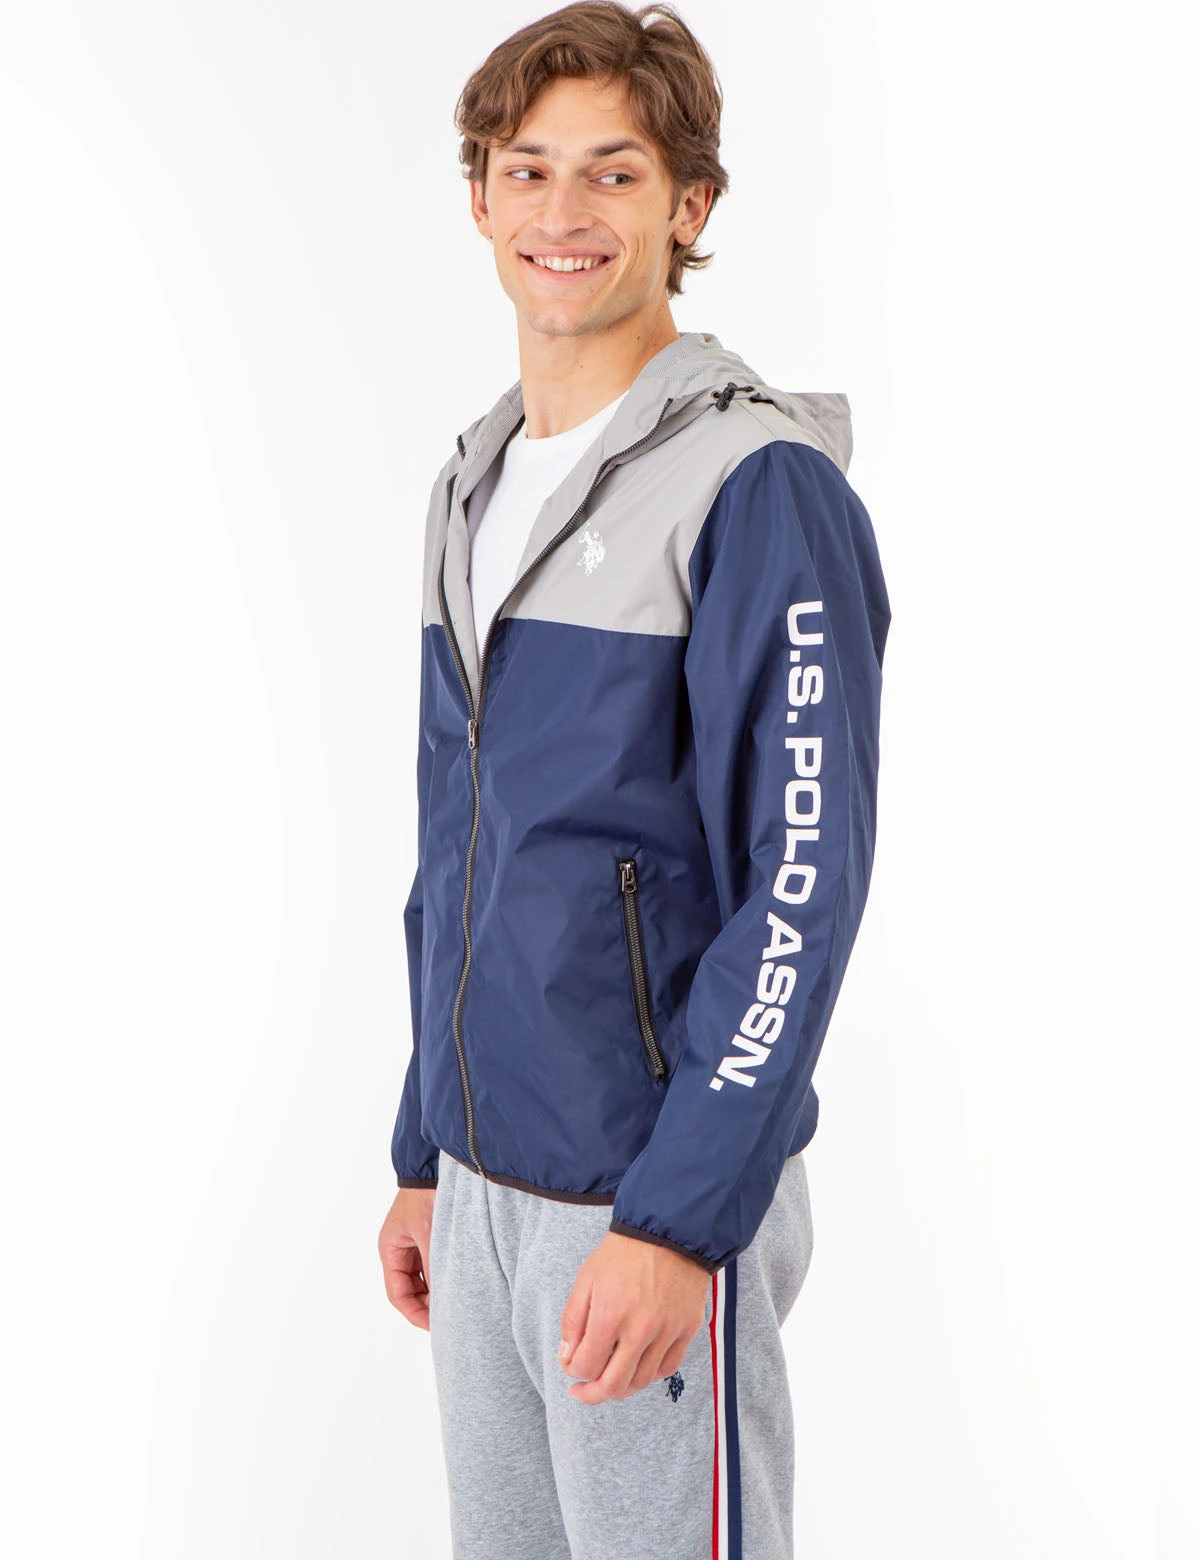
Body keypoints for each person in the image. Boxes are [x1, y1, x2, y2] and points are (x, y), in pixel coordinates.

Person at [377, 4, 890, 1555]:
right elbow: (461, 849)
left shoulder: (756, 487)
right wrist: (425, 1149)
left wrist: (678, 1220)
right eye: (527, 169)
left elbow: (802, 885)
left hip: (647, 1189)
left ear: (690, 204)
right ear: (480, 199)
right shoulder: (472, 482)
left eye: (613, 172)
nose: (563, 211)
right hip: (483, 1179)